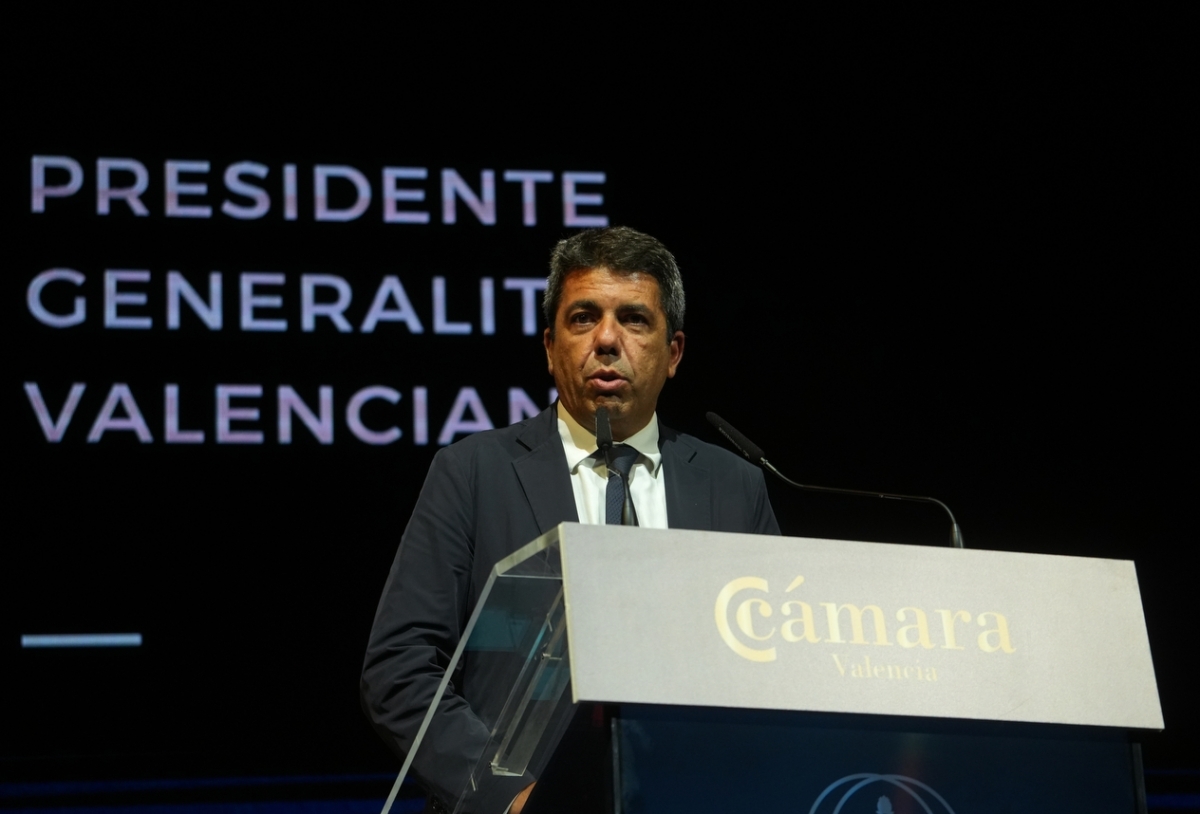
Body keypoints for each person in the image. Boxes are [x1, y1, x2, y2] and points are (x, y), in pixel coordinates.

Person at [361, 226, 780, 813]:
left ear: (674, 352)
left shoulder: (735, 486)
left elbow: (776, 672)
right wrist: (509, 796)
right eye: (583, 318)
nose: (606, 340)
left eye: (634, 320)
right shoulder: (473, 472)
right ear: (550, 347)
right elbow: (400, 668)